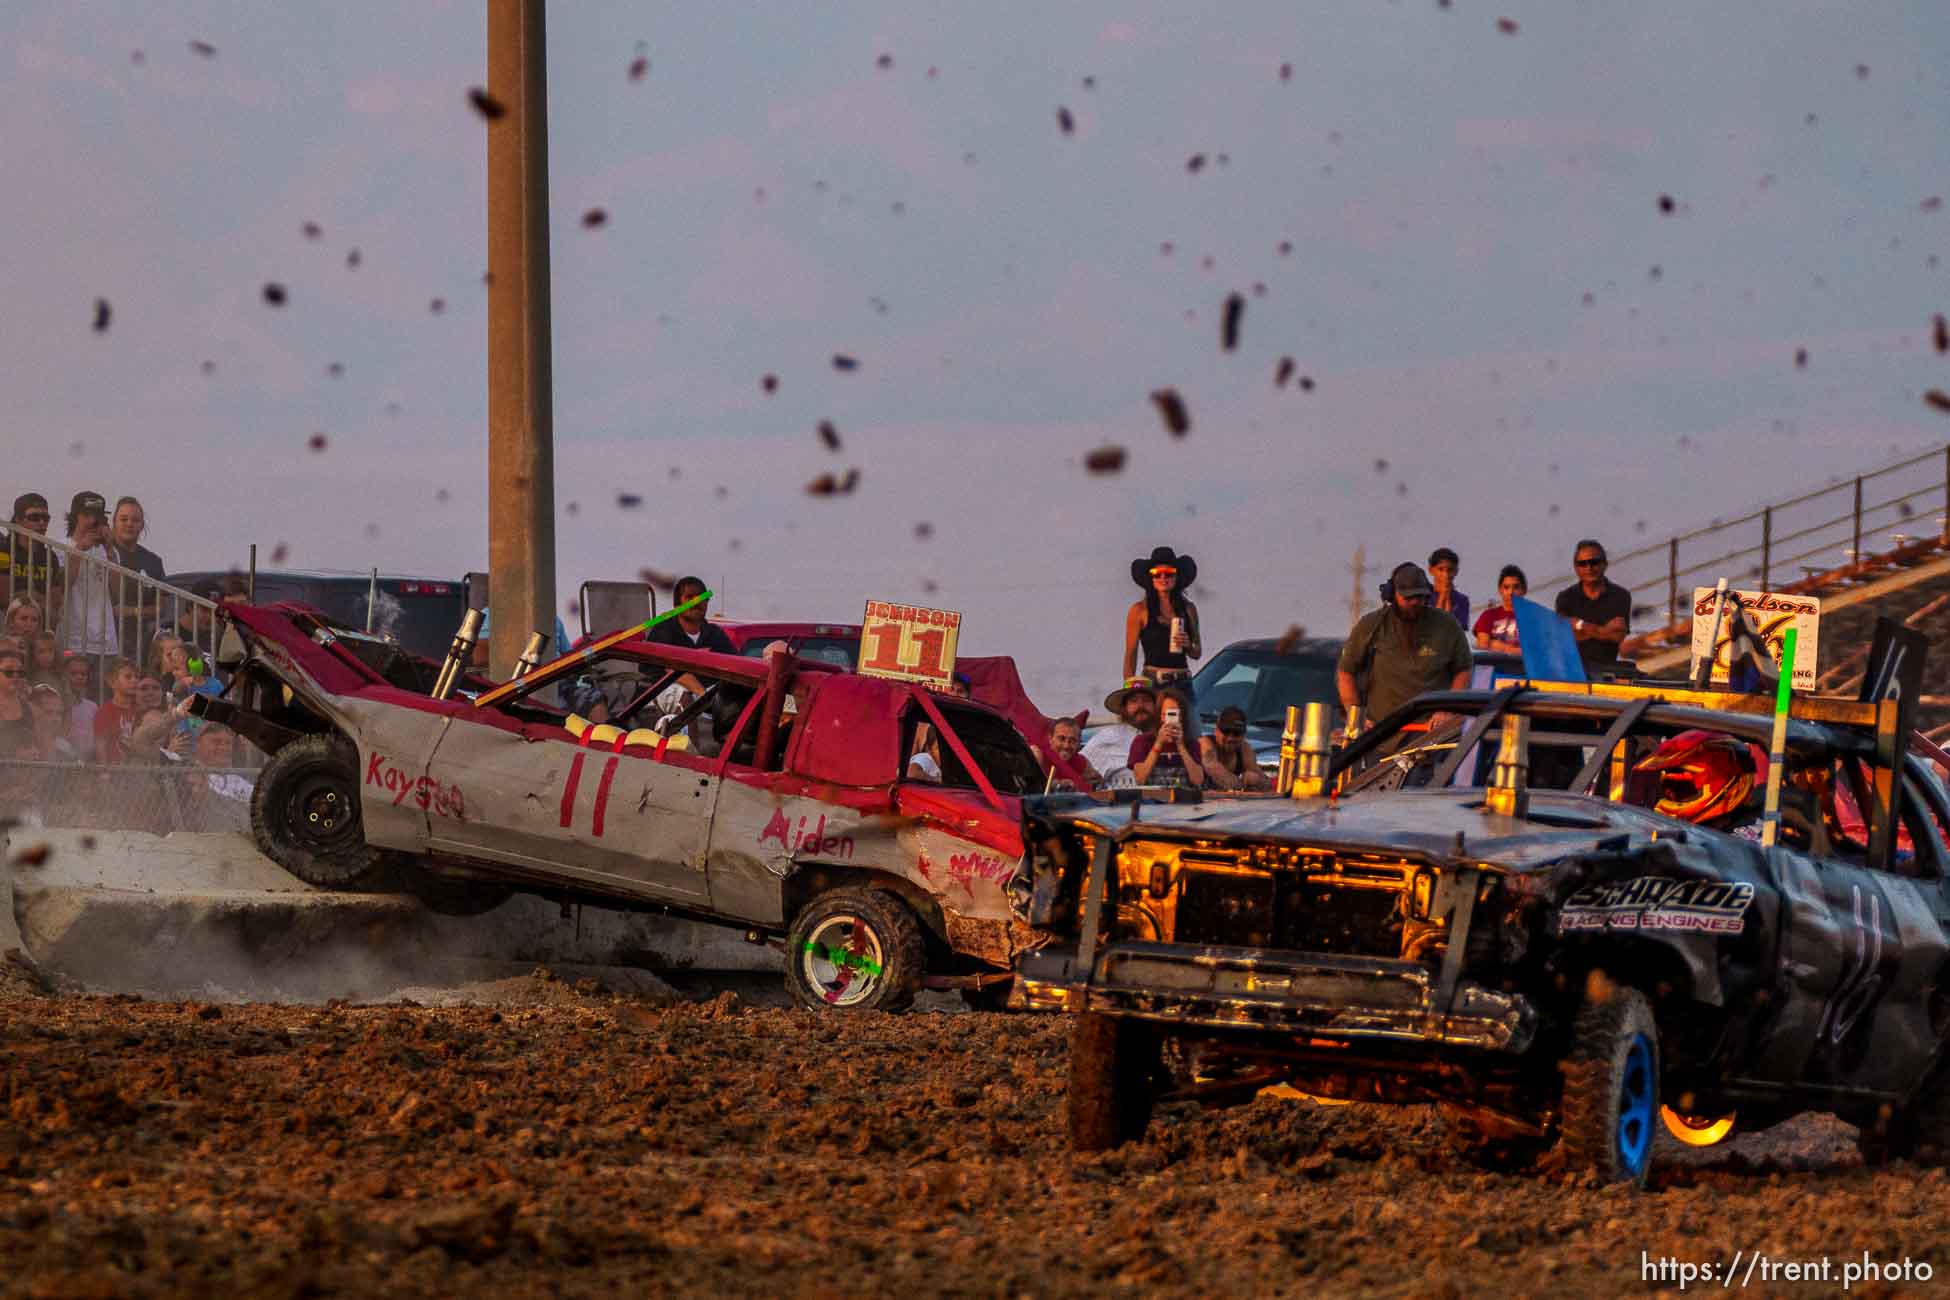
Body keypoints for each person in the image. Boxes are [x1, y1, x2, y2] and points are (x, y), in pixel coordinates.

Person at [1336, 562, 1474, 730]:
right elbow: (1346, 672)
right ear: (1392, 595)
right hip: (1381, 738)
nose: (1415, 602)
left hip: (1433, 736)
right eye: (1408, 598)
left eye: (1420, 597)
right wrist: (1356, 717)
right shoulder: (1371, 626)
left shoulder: (1447, 625)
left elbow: (1464, 669)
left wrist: (1447, 709)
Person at [1121, 546, 1202, 684]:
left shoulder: (1188, 609)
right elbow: (1131, 653)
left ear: (1176, 577)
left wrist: (1188, 645)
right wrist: (1130, 688)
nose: (1163, 577)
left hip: (1183, 682)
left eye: (1169, 573)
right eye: (1157, 573)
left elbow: (1197, 653)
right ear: (1151, 578)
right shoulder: (1139, 611)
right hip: (1153, 681)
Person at [55, 491, 119, 659]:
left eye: (97, 517)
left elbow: (117, 593)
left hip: (106, 642)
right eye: (87, 515)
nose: (92, 521)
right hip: (72, 641)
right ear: (75, 516)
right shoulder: (58, 546)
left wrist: (110, 550)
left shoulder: (109, 552)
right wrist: (80, 549)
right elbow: (63, 586)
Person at [1554, 539, 1631, 672]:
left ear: (1605, 564)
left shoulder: (1620, 595)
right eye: (1582, 564)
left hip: (1608, 671)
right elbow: (1565, 638)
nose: (1588, 568)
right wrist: (1604, 630)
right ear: (1576, 568)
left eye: (1594, 562)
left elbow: (1617, 636)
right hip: (1573, 671)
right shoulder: (1565, 598)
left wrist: (1581, 626)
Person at [1080, 677, 1158, 783]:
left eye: (1146, 700)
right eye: (1134, 701)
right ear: (1124, 708)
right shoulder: (1108, 736)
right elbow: (1078, 765)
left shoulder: (1168, 735)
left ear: (1156, 706)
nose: (1140, 706)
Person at [1128, 688, 1205, 788]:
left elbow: (1198, 781)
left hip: (1183, 801)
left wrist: (1181, 747)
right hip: (1151, 801)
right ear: (1160, 716)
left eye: (1175, 714)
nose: (1171, 719)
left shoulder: (1192, 744)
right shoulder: (1142, 741)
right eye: (1167, 714)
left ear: (1181, 716)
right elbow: (1140, 779)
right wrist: (1158, 744)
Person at [2, 493, 63, 617]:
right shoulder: (4, 550)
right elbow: (4, 596)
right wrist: (39, 599)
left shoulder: (50, 556)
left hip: (38, 625)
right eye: (34, 517)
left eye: (46, 518)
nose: (41, 523)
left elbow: (55, 602)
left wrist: (25, 596)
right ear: (18, 520)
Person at [645, 577, 735, 653]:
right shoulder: (662, 632)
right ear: (677, 604)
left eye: (701, 597)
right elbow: (648, 669)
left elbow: (735, 665)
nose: (697, 602)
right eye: (690, 597)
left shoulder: (716, 634)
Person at [1200, 705, 1271, 791]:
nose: (1230, 738)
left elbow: (1267, 785)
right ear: (1216, 730)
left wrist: (1256, 780)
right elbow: (1217, 774)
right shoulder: (1205, 744)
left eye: (1236, 733)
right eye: (1226, 731)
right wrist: (1243, 784)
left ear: (1244, 735)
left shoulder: (1244, 749)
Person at [91, 657, 139, 764]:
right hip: (114, 771)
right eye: (128, 677)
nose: (134, 680)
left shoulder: (139, 709)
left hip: (136, 769)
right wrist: (103, 773)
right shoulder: (105, 711)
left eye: (136, 677)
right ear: (112, 682)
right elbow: (100, 745)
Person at [1472, 566, 1527, 655]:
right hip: (1495, 667)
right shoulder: (1489, 615)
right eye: (1506, 587)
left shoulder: (1534, 617)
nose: (1511, 592)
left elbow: (1538, 650)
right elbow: (1483, 645)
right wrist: (1513, 650)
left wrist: (1495, 644)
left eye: (1516, 587)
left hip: (1524, 668)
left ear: (1524, 589)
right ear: (1500, 590)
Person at [19, 683, 76, 762]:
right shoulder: (20, 745)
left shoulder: (65, 748)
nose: (56, 719)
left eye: (59, 713)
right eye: (49, 712)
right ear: (33, 711)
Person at [1044, 716, 1102, 791]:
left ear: (1079, 743)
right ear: (1050, 739)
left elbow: (1098, 784)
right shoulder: (1039, 757)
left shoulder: (1081, 763)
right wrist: (1056, 784)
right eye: (1061, 739)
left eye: (1073, 740)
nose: (1066, 745)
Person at [1427, 548, 1470, 632]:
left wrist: (1447, 598)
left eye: (1450, 570)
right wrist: (1442, 597)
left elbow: (1456, 628)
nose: (1445, 574)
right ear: (1431, 570)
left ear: (1456, 572)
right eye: (1440, 569)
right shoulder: (1424, 596)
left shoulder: (1462, 600)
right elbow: (1432, 624)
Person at [0, 645, 31, 757]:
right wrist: (14, 754)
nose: (15, 676)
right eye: (9, 672)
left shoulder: (28, 707)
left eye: (20, 672)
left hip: (22, 772)